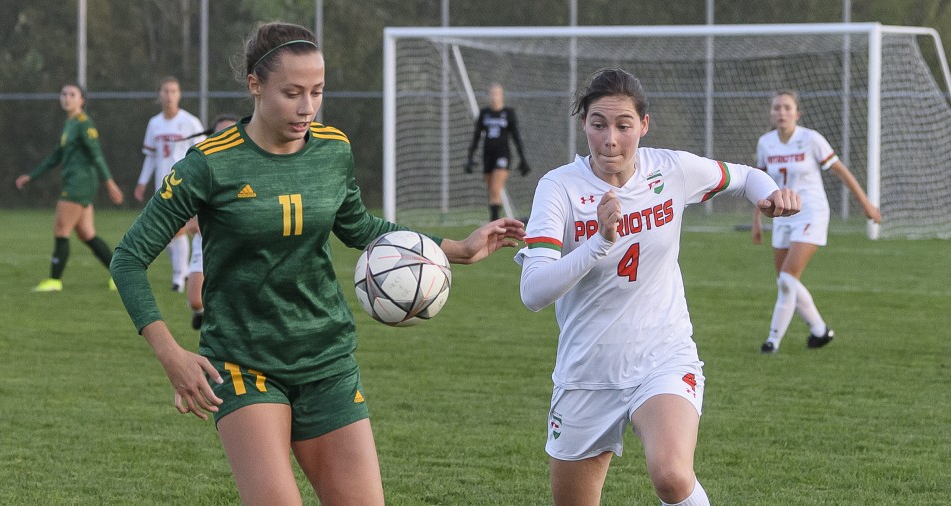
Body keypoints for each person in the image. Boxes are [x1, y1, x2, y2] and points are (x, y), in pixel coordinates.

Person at [109, 22, 525, 506]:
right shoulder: (208, 163)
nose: (307, 107)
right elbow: (129, 258)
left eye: (317, 92)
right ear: (255, 85)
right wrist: (171, 354)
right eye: (292, 92)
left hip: (327, 359)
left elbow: (360, 228)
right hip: (245, 362)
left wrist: (457, 248)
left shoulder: (333, 149)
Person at [514, 68, 800, 506]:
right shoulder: (559, 188)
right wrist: (598, 243)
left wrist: (770, 194)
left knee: (671, 474)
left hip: (661, 356)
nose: (611, 139)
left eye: (623, 126)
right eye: (598, 124)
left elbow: (743, 176)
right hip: (586, 372)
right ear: (584, 125)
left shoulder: (670, 170)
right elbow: (532, 291)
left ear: (643, 125)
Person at [752, 90, 882, 354]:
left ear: (797, 113)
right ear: (771, 113)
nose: (782, 112)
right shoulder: (766, 143)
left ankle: (772, 341)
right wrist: (756, 220)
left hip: (811, 212)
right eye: (777, 108)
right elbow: (760, 182)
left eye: (787, 108)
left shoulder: (811, 139)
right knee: (785, 281)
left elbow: (841, 171)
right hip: (781, 215)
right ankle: (820, 331)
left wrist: (866, 204)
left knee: (788, 278)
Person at [15, 83, 125, 292]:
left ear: (82, 100)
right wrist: (31, 176)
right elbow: (56, 155)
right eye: (63, 94)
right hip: (75, 183)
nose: (67, 98)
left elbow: (97, 155)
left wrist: (109, 183)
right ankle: (120, 276)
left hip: (79, 185)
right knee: (87, 234)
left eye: (72, 94)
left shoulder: (84, 123)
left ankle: (54, 281)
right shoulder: (70, 123)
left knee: (61, 229)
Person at [134, 76, 205, 292]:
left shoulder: (190, 122)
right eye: (165, 91)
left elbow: (204, 153)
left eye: (174, 91)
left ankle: (179, 278)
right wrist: (141, 182)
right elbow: (151, 156)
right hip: (162, 185)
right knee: (167, 233)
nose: (169, 95)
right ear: (159, 95)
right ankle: (182, 273)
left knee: (179, 230)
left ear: (180, 94)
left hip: (185, 185)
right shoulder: (154, 123)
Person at [184, 114, 239, 330]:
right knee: (196, 300)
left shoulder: (248, 167)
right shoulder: (200, 168)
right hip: (204, 243)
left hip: (236, 244)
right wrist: (191, 223)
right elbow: (187, 204)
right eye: (220, 134)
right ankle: (201, 313)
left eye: (231, 134)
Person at [464, 83, 531, 221]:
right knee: (492, 193)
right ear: (489, 96)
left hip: (503, 155)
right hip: (488, 155)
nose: (494, 97)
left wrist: (522, 158)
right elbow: (476, 137)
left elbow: (516, 137)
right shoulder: (484, 114)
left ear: (501, 96)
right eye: (492, 94)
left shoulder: (508, 113)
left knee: (495, 189)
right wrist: (470, 158)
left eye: (497, 93)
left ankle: (493, 223)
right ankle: (495, 221)